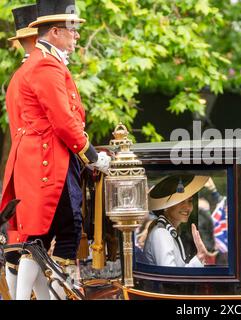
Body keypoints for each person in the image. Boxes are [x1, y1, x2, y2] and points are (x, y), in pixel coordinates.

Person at [0, 0, 110, 300]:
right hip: (50, 161)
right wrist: (93, 156)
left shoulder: (39, 65)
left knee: (37, 237)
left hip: (40, 158)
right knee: (65, 231)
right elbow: (63, 120)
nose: (76, 36)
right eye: (72, 30)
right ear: (57, 32)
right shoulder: (47, 64)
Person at [2, 4, 39, 301]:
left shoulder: (16, 77)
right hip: (37, 167)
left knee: (23, 241)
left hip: (20, 164)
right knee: (33, 242)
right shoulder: (34, 73)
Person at [144, 175, 216, 267]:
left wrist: (200, 257)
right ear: (165, 206)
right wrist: (199, 256)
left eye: (190, 201)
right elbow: (171, 277)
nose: (188, 207)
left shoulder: (167, 231)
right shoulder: (161, 233)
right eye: (181, 201)